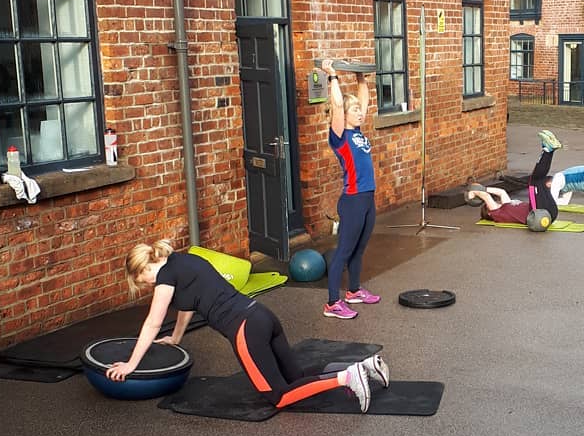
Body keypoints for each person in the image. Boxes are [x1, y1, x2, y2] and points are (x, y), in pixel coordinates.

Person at [107, 240, 389, 412]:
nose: (145, 287)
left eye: (140, 282)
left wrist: (131, 364)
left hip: (244, 329)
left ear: (143, 270)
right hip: (262, 316)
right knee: (296, 374)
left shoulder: (165, 277)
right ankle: (366, 367)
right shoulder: (184, 260)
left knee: (278, 396)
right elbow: (185, 307)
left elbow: (152, 323)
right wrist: (176, 338)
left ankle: (348, 379)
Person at [323, 58, 379, 320]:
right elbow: (335, 104)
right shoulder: (339, 136)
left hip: (367, 199)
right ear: (343, 116)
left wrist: (360, 78)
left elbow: (365, 100)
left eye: (359, 110)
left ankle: (354, 291)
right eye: (354, 111)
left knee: (360, 248)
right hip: (353, 200)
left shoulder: (357, 131)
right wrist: (332, 75)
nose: (360, 113)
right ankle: (333, 302)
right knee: (344, 250)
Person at [467, 129, 562, 225]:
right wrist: (473, 191)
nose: (496, 203)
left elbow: (501, 192)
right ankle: (547, 151)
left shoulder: (506, 206)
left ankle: (549, 151)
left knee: (539, 179)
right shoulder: (495, 213)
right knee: (533, 181)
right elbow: (486, 196)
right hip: (537, 215)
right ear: (488, 212)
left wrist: (484, 188)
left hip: (548, 212)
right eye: (488, 205)